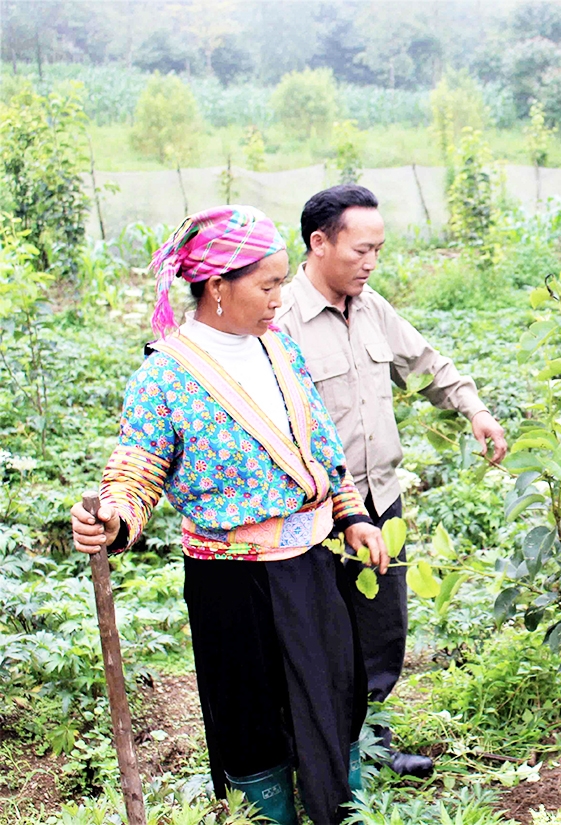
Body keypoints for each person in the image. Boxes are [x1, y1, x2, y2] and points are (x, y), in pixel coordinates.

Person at [70, 206, 389, 825]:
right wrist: (112, 517)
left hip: (310, 566)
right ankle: (266, 814)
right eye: (267, 286)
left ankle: (341, 811)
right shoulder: (165, 376)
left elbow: (323, 447)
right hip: (230, 579)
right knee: (250, 712)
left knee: (334, 696)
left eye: (279, 283)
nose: (279, 298)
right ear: (218, 287)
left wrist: (353, 517)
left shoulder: (281, 350)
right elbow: (137, 470)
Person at [276, 184, 507, 777]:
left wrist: (474, 409)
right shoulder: (281, 320)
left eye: (378, 249)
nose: (371, 262)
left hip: (382, 497)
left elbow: (427, 364)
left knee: (381, 629)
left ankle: (368, 745)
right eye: (360, 250)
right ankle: (320, 754)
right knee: (319, 634)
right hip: (315, 510)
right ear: (318, 242)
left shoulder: (372, 307)